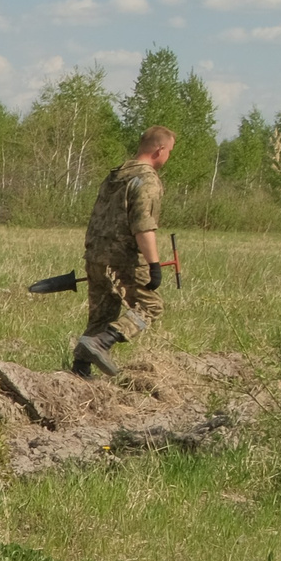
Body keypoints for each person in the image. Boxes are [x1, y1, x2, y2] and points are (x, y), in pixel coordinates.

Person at [72, 125, 179, 376]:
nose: (168, 157)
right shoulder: (147, 180)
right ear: (159, 149)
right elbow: (143, 227)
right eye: (169, 152)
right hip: (124, 259)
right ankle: (103, 342)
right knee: (151, 307)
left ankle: (80, 370)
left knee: (101, 314)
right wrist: (154, 266)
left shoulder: (115, 176)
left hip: (96, 256)